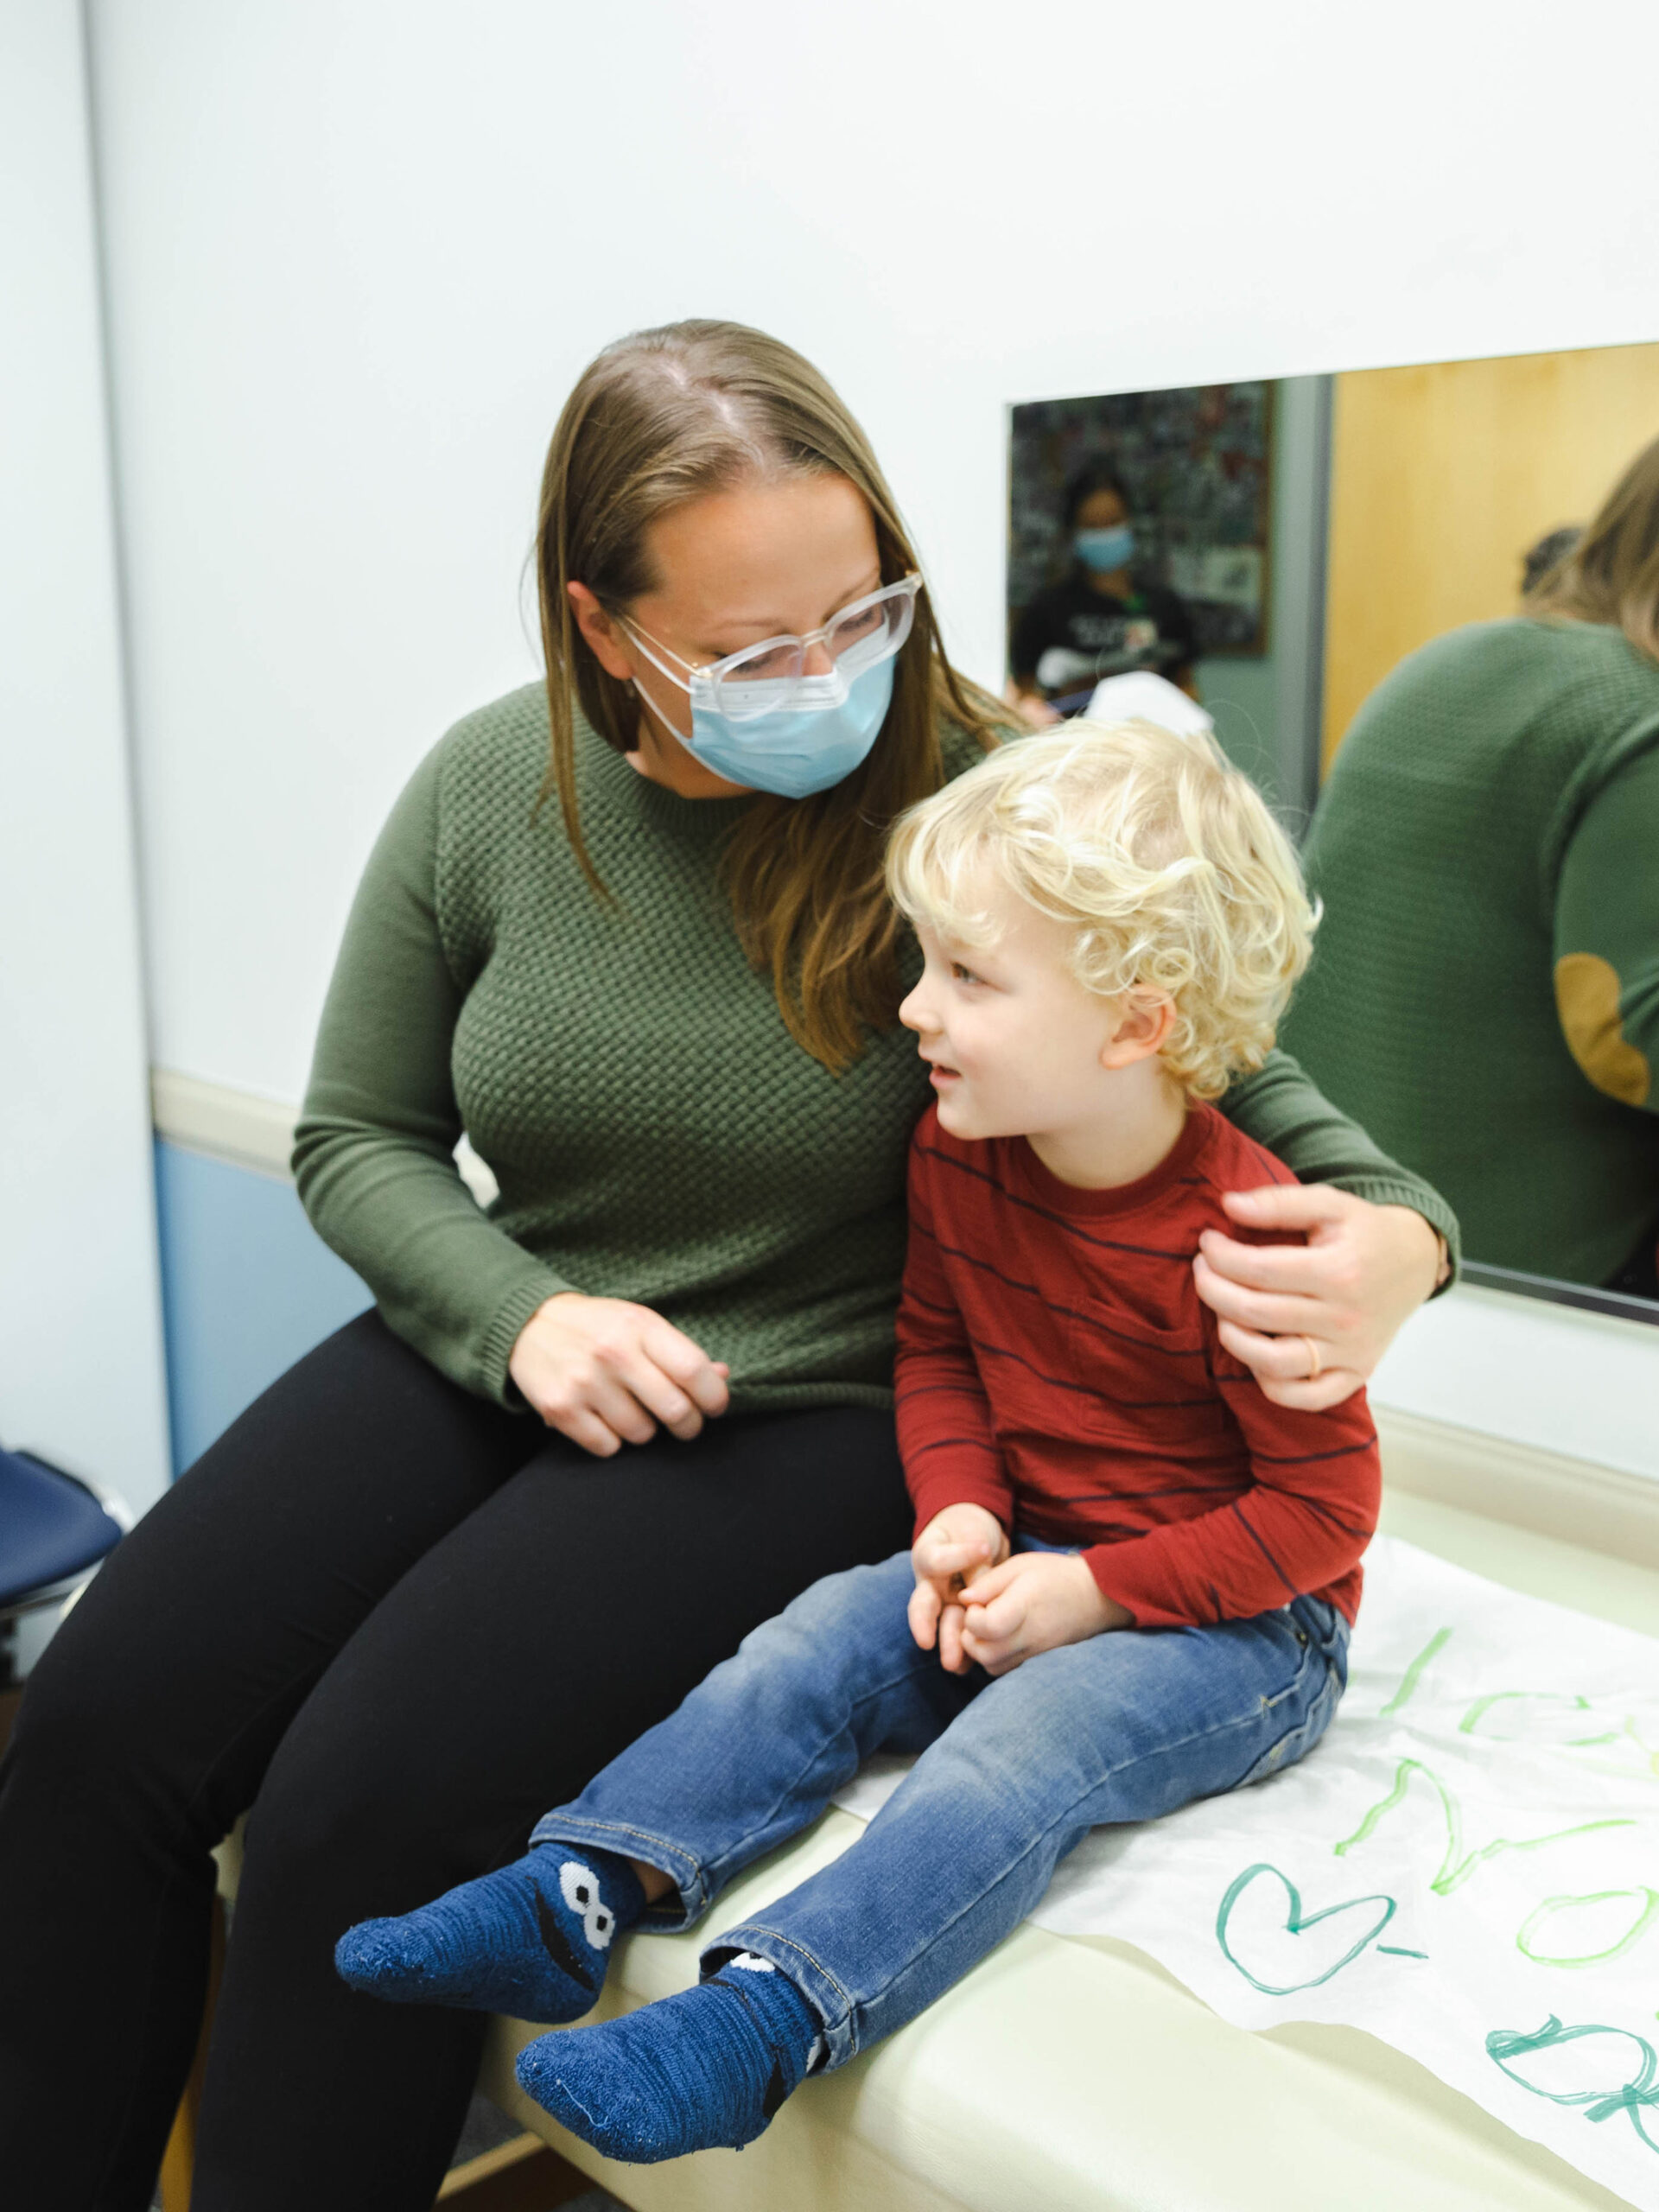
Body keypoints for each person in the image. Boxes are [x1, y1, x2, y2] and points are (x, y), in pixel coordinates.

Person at [0, 322, 1454, 2212]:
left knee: (362, 1802)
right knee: (97, 1730)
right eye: (754, 648)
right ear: (606, 628)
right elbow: (357, 1135)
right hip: (514, 1327)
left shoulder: (985, 792)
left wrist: (1401, 1247)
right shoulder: (487, 788)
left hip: (822, 1395)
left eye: (860, 614)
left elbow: (1247, 1079)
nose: (829, 680)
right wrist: (520, 1317)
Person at [335, 719, 1376, 2164]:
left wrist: (1093, 1596)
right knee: (813, 1640)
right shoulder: (961, 1150)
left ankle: (766, 2016)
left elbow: (1321, 1525)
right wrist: (961, 1512)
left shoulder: (1254, 1244)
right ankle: (577, 1890)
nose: (915, 1014)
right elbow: (940, 1352)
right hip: (1033, 1556)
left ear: (1134, 1024)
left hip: (1245, 1629)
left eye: (968, 979)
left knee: (1023, 1747)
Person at [1281, 434, 1659, 1294]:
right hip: (1525, 1253)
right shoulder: (1640, 713)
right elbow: (1631, 1036)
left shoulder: (1451, 655)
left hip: (1326, 1195)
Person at [1008, 461, 1202, 719]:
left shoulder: (1165, 606)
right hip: (1070, 750)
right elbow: (1025, 694)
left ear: (1129, 520)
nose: (1104, 532)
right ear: (1074, 531)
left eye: (1113, 521)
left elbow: (1186, 687)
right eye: (1092, 525)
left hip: (1148, 747)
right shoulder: (1047, 610)